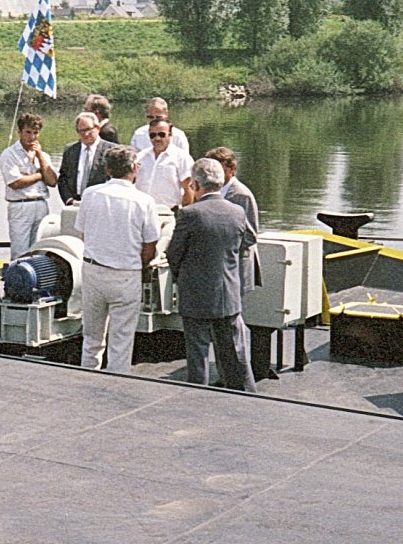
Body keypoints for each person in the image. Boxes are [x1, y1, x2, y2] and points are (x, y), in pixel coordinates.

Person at [166, 158, 256, 391]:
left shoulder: (189, 214)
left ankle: (198, 399)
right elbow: (247, 240)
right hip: (228, 292)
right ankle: (247, 395)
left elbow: (174, 254)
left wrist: (184, 276)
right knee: (235, 354)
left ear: (195, 184)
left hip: (196, 294)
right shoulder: (237, 211)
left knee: (198, 356)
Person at [76, 145, 160, 372]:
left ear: (107, 169)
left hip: (93, 270)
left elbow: (83, 233)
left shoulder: (90, 194)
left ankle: (86, 377)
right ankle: (116, 383)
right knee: (121, 341)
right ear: (134, 168)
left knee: (91, 337)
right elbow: (150, 245)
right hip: (125, 274)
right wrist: (141, 264)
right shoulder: (144, 201)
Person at [208, 145, 265, 380]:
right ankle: (227, 374)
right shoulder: (211, 192)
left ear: (231, 169)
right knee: (221, 324)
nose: (213, 174)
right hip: (221, 267)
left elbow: (250, 236)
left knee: (232, 324)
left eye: (218, 169)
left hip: (237, 267)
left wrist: (221, 242)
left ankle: (239, 377)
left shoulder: (241, 194)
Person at [0, 112, 56, 257]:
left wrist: (39, 156)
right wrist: (39, 175)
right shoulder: (10, 154)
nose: (32, 137)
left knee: (40, 249)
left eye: (35, 133)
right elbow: (15, 183)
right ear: (19, 132)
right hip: (21, 205)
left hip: (41, 203)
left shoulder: (44, 156)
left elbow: (52, 181)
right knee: (20, 251)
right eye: (28, 132)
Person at [134, 117, 193, 208]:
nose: (157, 138)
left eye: (161, 134)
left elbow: (188, 189)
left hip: (170, 211)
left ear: (170, 134)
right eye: (153, 135)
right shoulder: (140, 157)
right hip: (142, 210)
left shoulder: (181, 158)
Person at [57, 111, 110, 206]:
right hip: (74, 203)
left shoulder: (110, 150)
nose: (85, 134)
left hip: (100, 204)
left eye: (88, 129)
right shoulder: (70, 150)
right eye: (81, 131)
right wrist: (69, 200)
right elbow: (62, 179)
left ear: (97, 128)